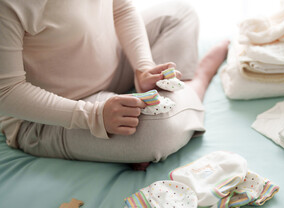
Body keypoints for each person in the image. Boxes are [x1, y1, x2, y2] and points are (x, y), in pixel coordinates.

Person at [0, 0, 228, 170]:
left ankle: (175, 97)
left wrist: (142, 67)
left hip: (113, 65)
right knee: (158, 128)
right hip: (57, 113)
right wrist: (95, 116)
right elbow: (6, 92)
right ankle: (197, 83)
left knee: (178, 13)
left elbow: (120, 8)